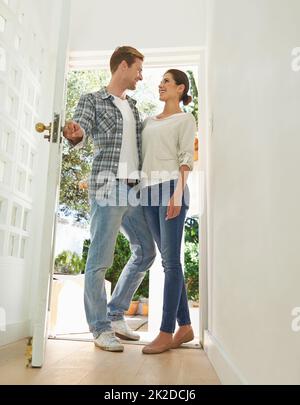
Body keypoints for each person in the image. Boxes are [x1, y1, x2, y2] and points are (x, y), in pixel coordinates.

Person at [63, 46, 156, 352]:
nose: (141, 76)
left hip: (134, 189)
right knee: (100, 260)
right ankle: (100, 327)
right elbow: (80, 132)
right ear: (123, 67)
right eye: (138, 69)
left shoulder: (134, 106)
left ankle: (115, 314)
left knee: (145, 251)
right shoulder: (92, 100)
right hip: (108, 186)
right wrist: (73, 133)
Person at [141, 69, 197, 354]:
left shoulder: (185, 119)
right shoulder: (149, 121)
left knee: (171, 263)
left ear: (180, 88)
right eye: (160, 81)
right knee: (167, 261)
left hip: (171, 188)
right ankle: (185, 327)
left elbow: (186, 158)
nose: (160, 85)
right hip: (147, 192)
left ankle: (166, 331)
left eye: (166, 81)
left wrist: (177, 193)